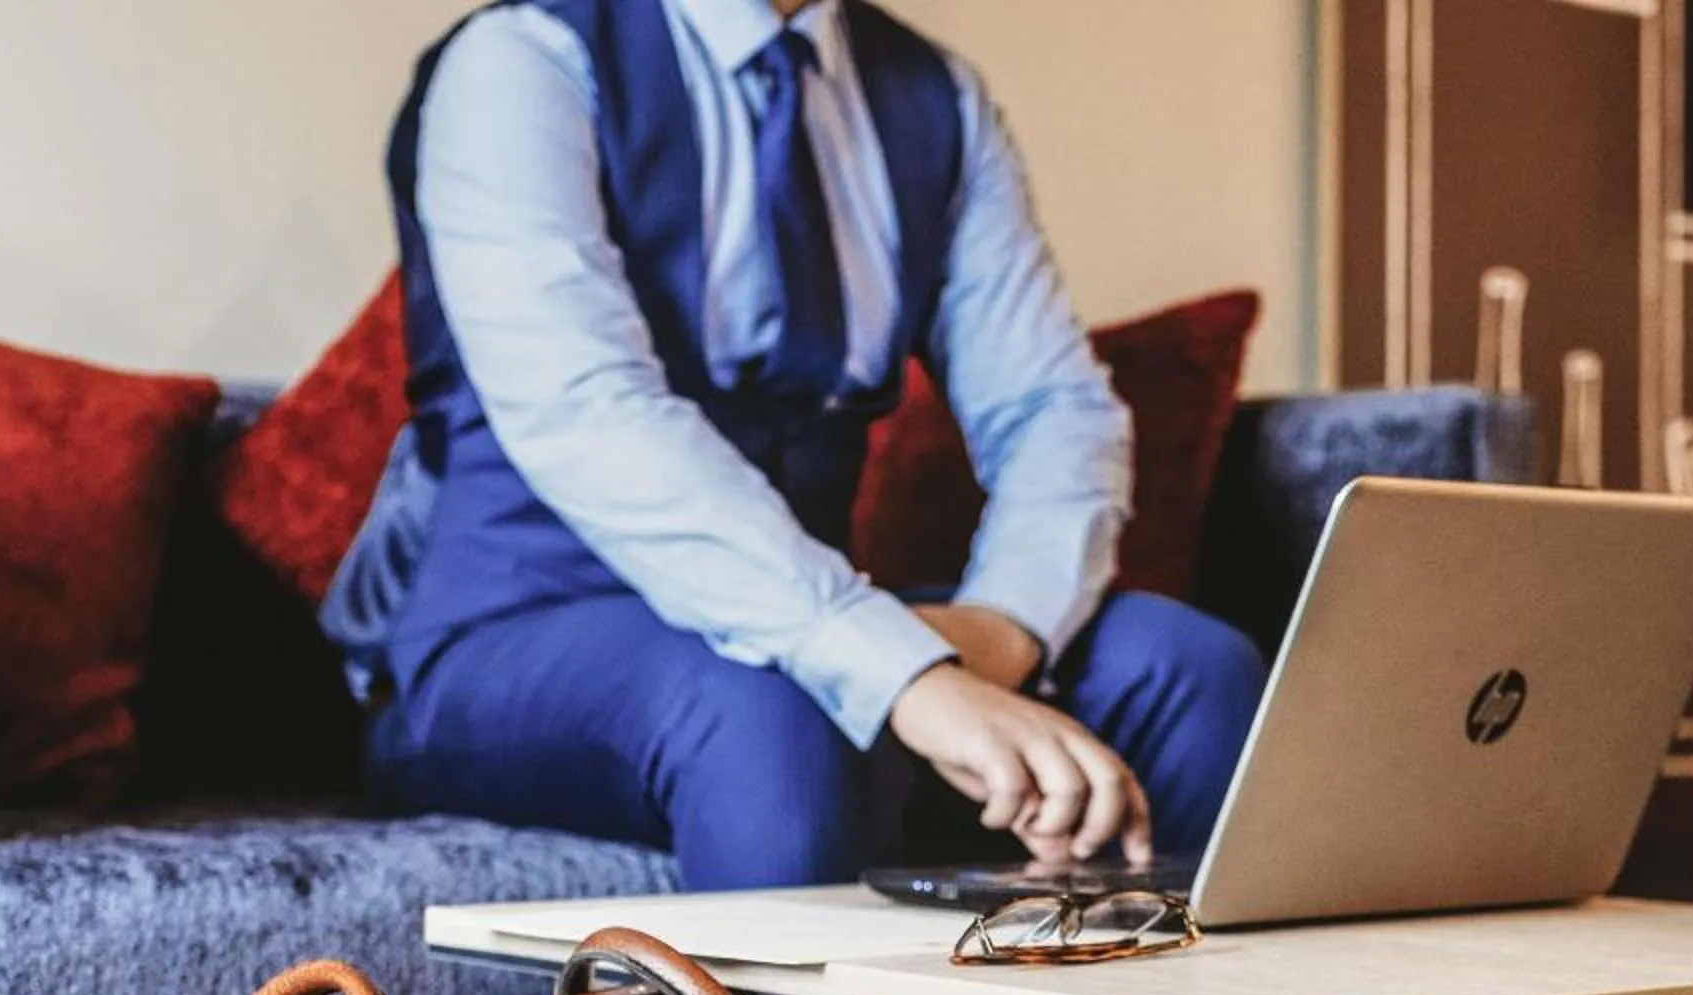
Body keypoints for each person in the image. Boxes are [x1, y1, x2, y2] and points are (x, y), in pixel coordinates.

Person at [323, 0, 1269, 891]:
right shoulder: (522, 60)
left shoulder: (937, 98)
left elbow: (1051, 408)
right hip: (517, 630)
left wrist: (1005, 627)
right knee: (770, 715)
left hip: (808, 615)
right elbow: (587, 411)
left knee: (1185, 670)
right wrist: (893, 668)